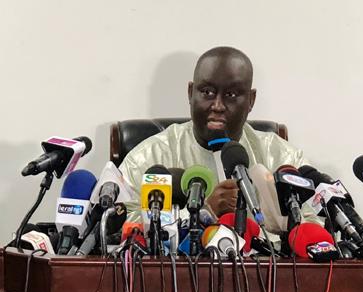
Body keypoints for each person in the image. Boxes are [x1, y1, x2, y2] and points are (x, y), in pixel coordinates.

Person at [119, 46, 319, 230]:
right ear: (190, 93)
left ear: (251, 100)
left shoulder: (281, 157)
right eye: (207, 92)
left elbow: (318, 225)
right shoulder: (149, 157)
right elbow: (120, 222)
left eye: (231, 94)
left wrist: (277, 218)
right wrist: (202, 213)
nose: (217, 105)